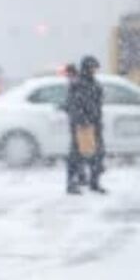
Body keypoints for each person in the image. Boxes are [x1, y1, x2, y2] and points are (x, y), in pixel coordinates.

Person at [66, 55, 106, 194]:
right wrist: (82, 122)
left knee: (97, 154)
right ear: (87, 68)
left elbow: (97, 105)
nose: (95, 70)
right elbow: (73, 106)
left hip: (94, 124)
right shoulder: (78, 84)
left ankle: (94, 182)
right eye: (93, 67)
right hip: (82, 126)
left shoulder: (93, 83)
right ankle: (72, 184)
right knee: (77, 155)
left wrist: (97, 121)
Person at [62, 63, 87, 191]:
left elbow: (71, 104)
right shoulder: (77, 83)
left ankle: (78, 178)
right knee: (78, 151)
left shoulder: (74, 84)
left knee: (77, 151)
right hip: (80, 121)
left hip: (77, 121)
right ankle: (77, 179)